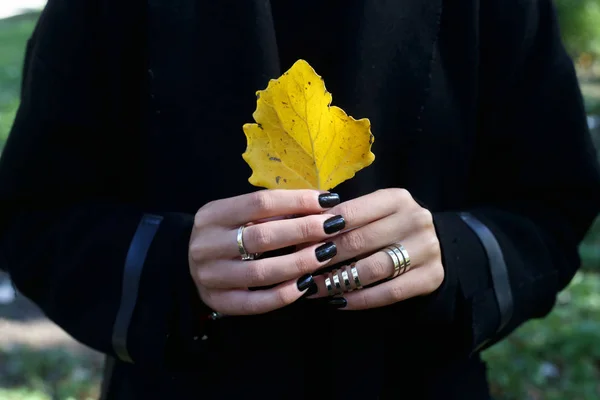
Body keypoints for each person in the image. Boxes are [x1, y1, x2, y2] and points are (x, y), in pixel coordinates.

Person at [1, 0, 599, 399]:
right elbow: (35, 211)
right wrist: (169, 268)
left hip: (417, 382)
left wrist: (454, 257)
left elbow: (550, 197)